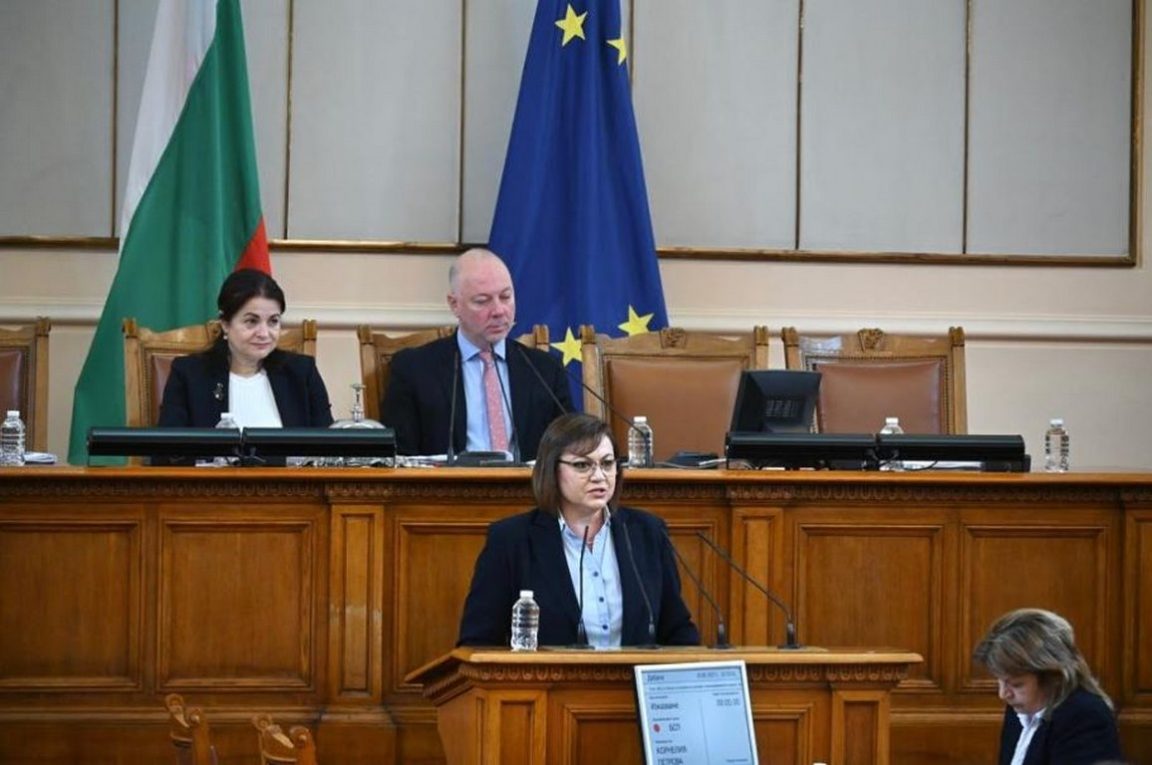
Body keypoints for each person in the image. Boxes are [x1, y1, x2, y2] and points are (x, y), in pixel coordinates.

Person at [457, 413, 699, 647]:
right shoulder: (511, 540)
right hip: (547, 676)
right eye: (582, 465)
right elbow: (477, 642)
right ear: (552, 470)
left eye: (607, 464)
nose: (599, 476)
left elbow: (677, 630)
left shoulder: (647, 532)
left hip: (632, 675)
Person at [380, 248, 571, 461]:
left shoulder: (545, 369)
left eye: (505, 297)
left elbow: (571, 446)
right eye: (482, 301)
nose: (499, 310)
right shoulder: (414, 369)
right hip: (446, 482)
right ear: (454, 304)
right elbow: (399, 456)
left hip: (527, 482)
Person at [157, 269, 333, 429]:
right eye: (251, 321)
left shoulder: (301, 372)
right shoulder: (189, 375)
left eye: (273, 321)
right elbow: (169, 449)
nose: (264, 333)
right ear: (225, 324)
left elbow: (328, 446)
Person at [973, 608, 1123, 765]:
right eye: (1000, 681)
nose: (1003, 694)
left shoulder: (1085, 716)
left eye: (1016, 684)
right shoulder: (1019, 710)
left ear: (1053, 677)